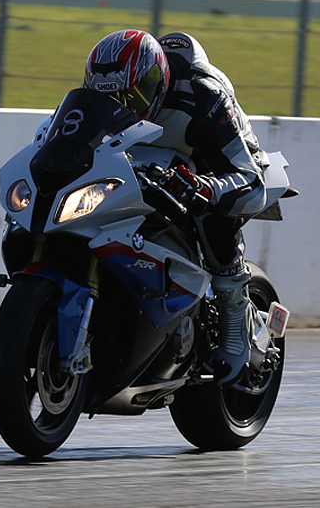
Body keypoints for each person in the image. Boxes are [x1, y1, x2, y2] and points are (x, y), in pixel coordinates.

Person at [83, 29, 270, 387]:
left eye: (133, 96)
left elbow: (250, 181)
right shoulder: (96, 101)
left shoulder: (203, 97)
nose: (123, 107)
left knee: (212, 214)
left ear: (157, 82)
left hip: (216, 160)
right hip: (144, 162)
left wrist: (205, 187)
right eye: (110, 98)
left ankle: (235, 322)